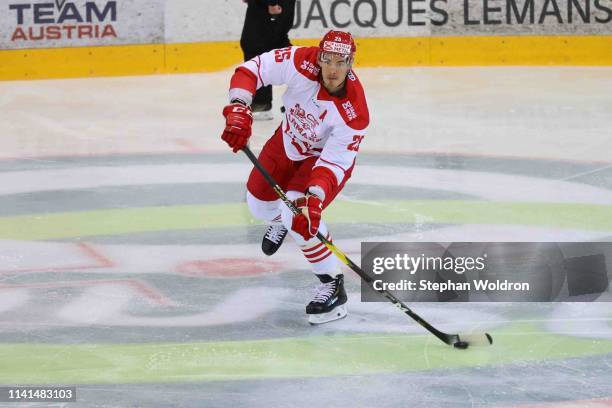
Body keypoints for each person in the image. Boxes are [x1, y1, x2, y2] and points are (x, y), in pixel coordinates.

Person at [221, 30, 369, 324]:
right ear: (320, 56)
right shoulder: (302, 61)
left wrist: (312, 200)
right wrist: (239, 106)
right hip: (287, 140)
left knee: (300, 219)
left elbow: (335, 163)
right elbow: (253, 69)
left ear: (351, 63)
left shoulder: (354, 113)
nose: (333, 69)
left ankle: (332, 284)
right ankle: (279, 219)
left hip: (320, 162)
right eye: (328, 60)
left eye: (341, 62)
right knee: (258, 205)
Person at [240, 0, 295, 120]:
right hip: (273, 6)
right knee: (280, 46)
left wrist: (272, 3)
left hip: (269, 7)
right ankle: (311, 96)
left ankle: (262, 104)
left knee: (255, 46)